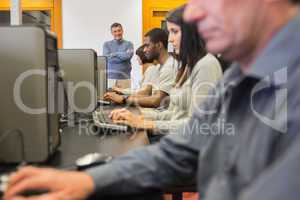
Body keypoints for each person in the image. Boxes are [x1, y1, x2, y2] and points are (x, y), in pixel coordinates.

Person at [4, 0, 300, 200]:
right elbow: (179, 152)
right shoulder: (239, 75)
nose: (194, 14)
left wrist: (142, 119)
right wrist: (87, 181)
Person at [109, 6, 222, 136]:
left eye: (175, 31)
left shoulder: (206, 65)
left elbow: (199, 125)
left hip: (187, 147)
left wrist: (146, 123)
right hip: (174, 137)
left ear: (191, 32)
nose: (170, 39)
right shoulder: (188, 66)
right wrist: (140, 117)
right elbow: (175, 115)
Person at [104, 28, 178, 108]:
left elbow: (156, 101)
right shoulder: (159, 67)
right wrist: (123, 97)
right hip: (157, 112)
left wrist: (124, 99)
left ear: (159, 45)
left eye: (147, 45)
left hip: (161, 114)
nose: (144, 50)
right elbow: (147, 93)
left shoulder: (169, 67)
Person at [103, 23, 134, 89]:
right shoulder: (106, 44)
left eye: (119, 30)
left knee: (125, 99)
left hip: (125, 78)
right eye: (115, 31)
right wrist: (122, 54)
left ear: (122, 31)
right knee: (108, 99)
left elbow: (127, 56)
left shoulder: (129, 44)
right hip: (110, 78)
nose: (117, 33)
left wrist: (114, 54)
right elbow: (106, 58)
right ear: (112, 33)